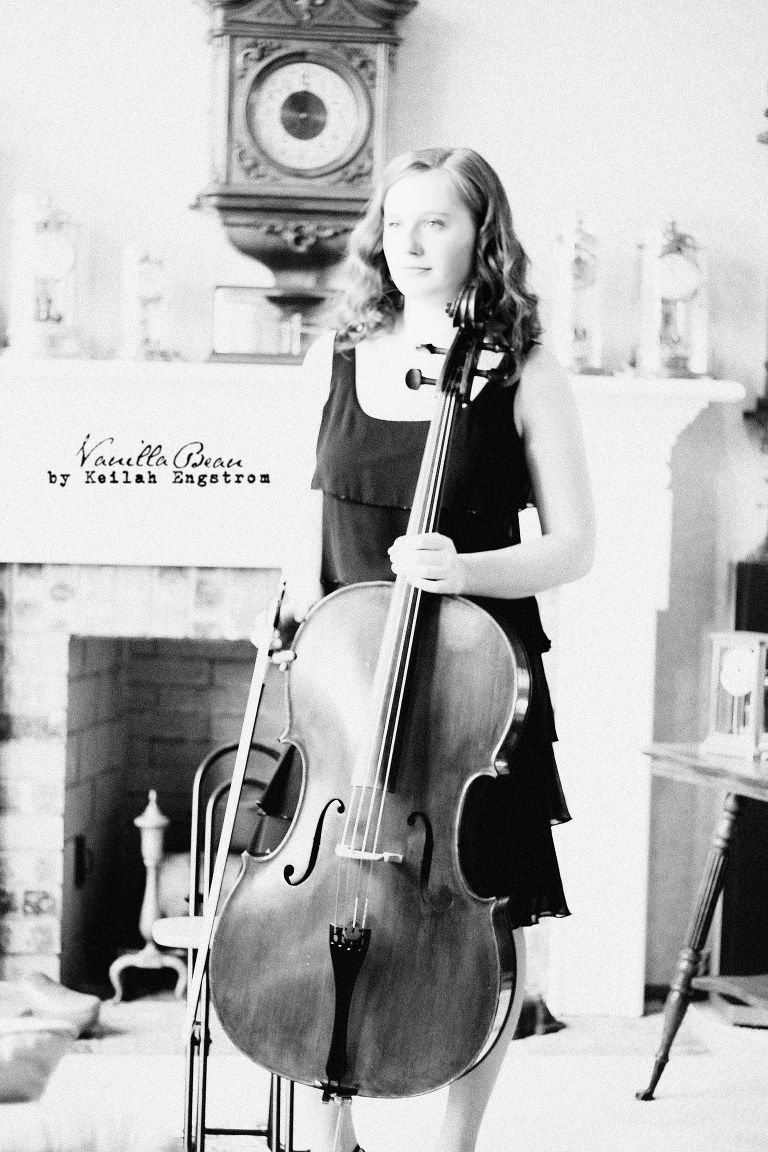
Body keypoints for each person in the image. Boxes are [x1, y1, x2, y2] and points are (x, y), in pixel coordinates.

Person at [261, 145, 595, 1152]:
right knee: (321, 905)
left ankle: (456, 1143)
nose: (408, 242)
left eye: (436, 222)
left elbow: (574, 547)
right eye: (395, 221)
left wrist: (464, 568)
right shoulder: (335, 354)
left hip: (470, 693)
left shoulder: (525, 369)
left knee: (481, 927)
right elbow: (307, 512)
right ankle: (332, 1130)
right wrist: (293, 616)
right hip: (346, 689)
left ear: (481, 235)